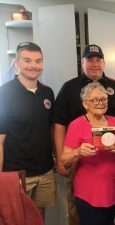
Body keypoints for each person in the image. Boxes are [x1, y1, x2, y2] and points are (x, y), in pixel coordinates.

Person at [53, 44, 115, 225]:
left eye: (98, 60)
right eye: (90, 60)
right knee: (77, 212)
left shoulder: (114, 87)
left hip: (111, 180)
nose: (95, 64)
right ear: (82, 63)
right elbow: (59, 124)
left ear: (104, 63)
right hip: (81, 168)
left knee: (108, 217)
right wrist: (62, 158)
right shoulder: (69, 88)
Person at [0, 42, 56, 220]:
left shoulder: (47, 93)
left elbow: (51, 129)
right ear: (17, 63)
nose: (34, 65)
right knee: (18, 219)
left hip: (45, 172)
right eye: (27, 60)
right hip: (17, 174)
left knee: (39, 218)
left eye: (38, 61)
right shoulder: (4, 93)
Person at [61, 82, 115, 225]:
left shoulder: (114, 122)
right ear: (85, 104)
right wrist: (77, 152)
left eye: (103, 99)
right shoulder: (76, 125)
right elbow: (64, 160)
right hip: (89, 193)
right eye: (95, 100)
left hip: (112, 189)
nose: (100, 103)